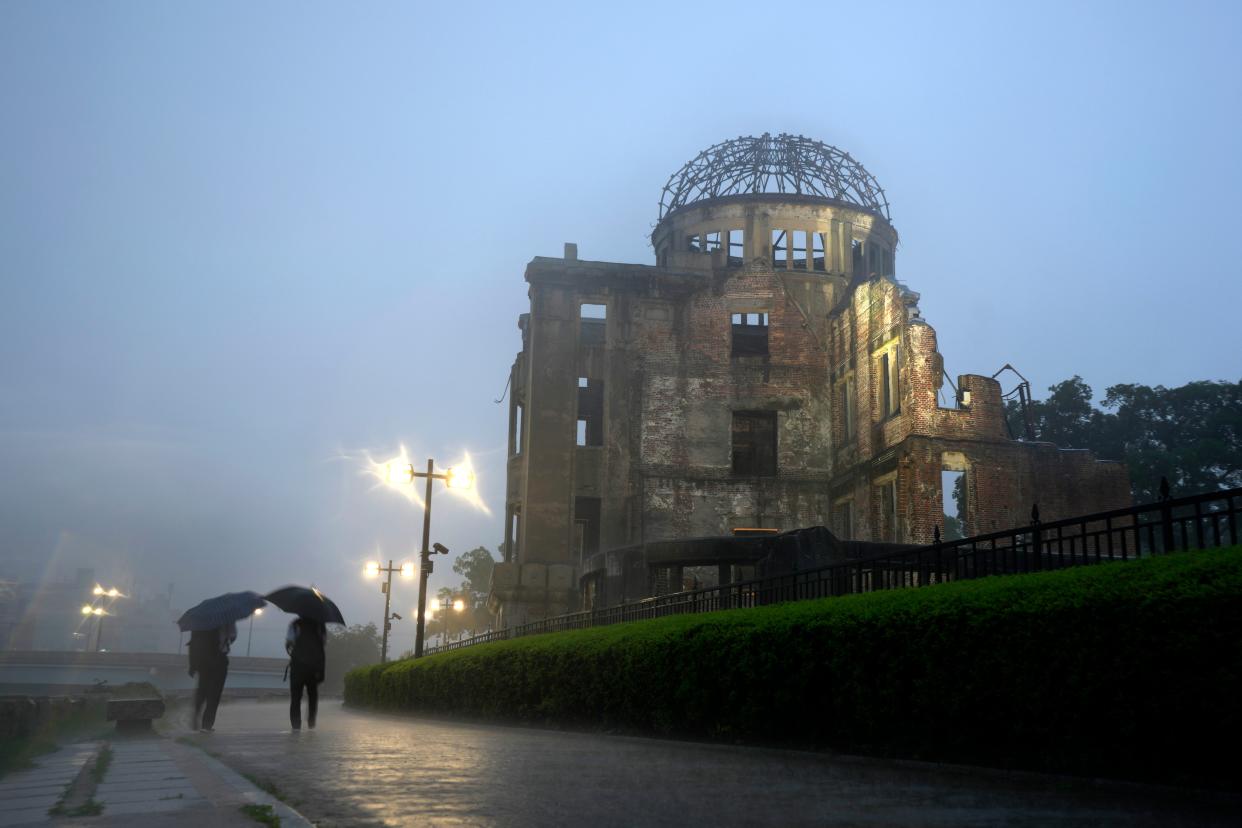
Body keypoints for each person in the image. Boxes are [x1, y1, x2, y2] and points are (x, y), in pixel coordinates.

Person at [188, 621, 236, 732]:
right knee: (215, 693)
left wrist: (192, 665)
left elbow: (193, 643)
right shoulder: (228, 620)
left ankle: (196, 713)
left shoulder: (199, 623)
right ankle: (207, 725)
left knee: (202, 689)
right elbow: (233, 637)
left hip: (202, 661)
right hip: (219, 660)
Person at [285, 617, 326, 730]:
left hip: (297, 666)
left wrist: (292, 650)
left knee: (296, 697)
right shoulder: (320, 625)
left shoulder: (295, 624)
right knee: (313, 695)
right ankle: (311, 722)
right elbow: (323, 644)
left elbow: (289, 643)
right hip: (313, 667)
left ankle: (296, 725)